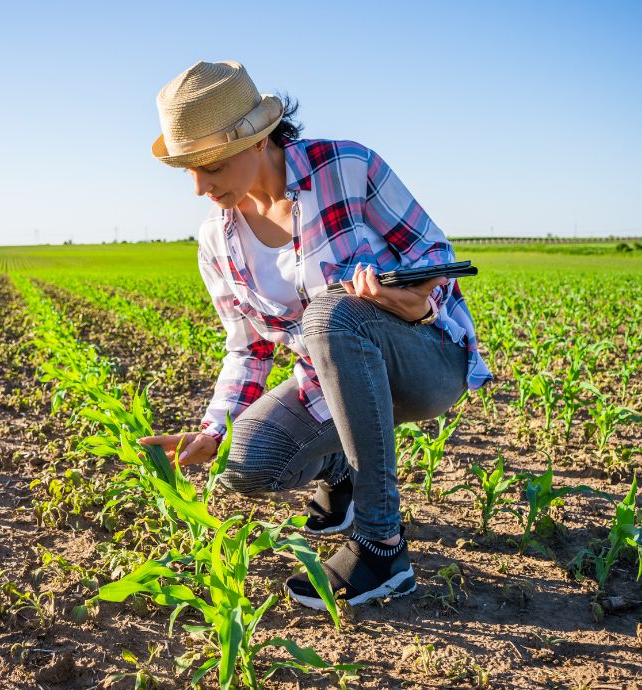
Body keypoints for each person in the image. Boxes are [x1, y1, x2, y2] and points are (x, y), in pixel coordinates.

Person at [138, 60, 493, 609]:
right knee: (241, 463)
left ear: (257, 140)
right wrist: (213, 430)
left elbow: (435, 255)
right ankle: (341, 473)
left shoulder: (347, 167)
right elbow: (249, 346)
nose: (200, 187)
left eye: (210, 164)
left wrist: (410, 299)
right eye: (188, 169)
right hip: (329, 383)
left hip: (423, 357)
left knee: (332, 314)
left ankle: (381, 544)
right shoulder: (218, 239)